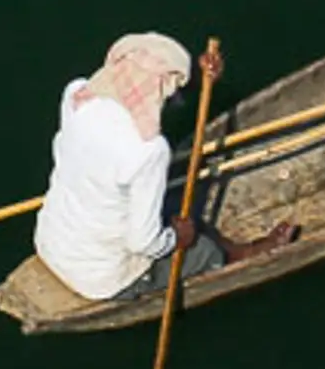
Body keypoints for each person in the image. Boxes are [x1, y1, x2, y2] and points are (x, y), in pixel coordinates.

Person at [27, 34, 293, 307]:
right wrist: (179, 238)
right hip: (102, 278)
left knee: (169, 207)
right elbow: (141, 242)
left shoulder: (76, 96)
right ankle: (243, 254)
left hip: (49, 241)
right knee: (202, 246)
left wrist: (203, 82)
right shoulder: (147, 150)